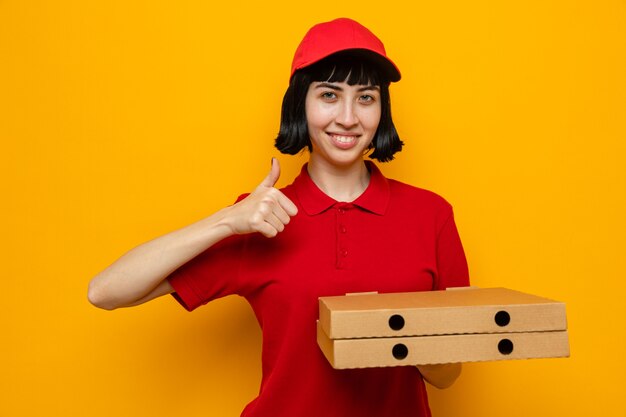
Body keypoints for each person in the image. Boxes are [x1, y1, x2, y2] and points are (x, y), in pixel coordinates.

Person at [88, 17, 469, 417]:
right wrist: (227, 221)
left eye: (365, 97)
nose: (348, 117)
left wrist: (406, 339)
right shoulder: (261, 219)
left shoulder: (431, 216)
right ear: (300, 104)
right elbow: (106, 292)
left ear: (381, 109)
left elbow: (447, 375)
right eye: (329, 95)